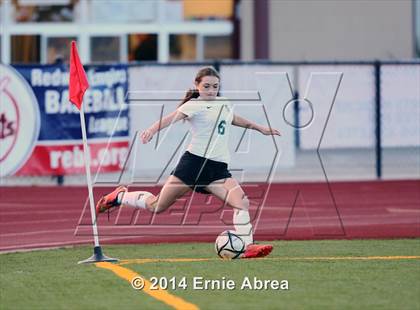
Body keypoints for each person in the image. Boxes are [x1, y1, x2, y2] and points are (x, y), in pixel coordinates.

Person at [96, 66, 281, 258]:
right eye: (207, 86)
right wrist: (151, 130)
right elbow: (168, 119)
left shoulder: (224, 103)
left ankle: (247, 246)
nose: (211, 90)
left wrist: (259, 128)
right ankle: (119, 197)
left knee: (241, 202)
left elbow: (232, 118)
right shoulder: (193, 105)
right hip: (193, 165)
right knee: (157, 206)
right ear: (197, 85)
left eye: (215, 87)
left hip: (217, 170)